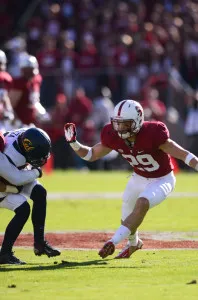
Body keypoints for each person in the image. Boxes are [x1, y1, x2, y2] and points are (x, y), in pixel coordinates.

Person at [64, 99, 198, 259]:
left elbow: (183, 154)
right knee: (127, 211)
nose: (120, 128)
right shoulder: (113, 135)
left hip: (162, 179)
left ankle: (113, 241)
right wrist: (74, 143)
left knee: (142, 203)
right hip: (138, 177)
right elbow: (91, 155)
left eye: (125, 124)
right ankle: (134, 243)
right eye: (117, 123)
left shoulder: (153, 133)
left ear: (137, 121)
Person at [0, 127, 60, 265]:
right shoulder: (7, 156)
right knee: (23, 209)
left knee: (40, 193)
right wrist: (37, 172)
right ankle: (5, 253)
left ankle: (39, 244)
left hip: (13, 174)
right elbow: (17, 179)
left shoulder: (25, 135)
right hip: (3, 186)